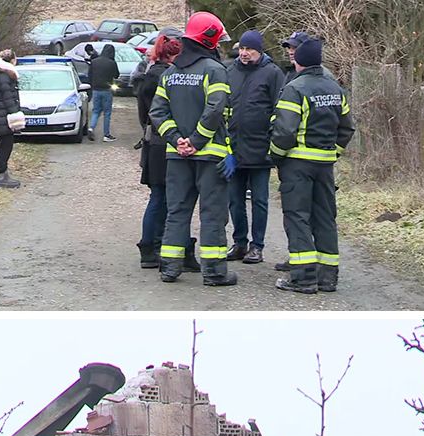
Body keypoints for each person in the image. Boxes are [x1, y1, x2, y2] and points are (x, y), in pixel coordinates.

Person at [149, 11, 236, 286]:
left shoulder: (171, 74)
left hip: (177, 157)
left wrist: (177, 141)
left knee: (177, 211)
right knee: (212, 214)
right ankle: (214, 273)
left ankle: (170, 268)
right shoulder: (215, 70)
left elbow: (157, 113)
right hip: (210, 156)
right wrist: (197, 141)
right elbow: (215, 109)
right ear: (209, 40)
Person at [270, 37, 354, 294]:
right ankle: (328, 277)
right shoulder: (335, 89)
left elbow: (284, 132)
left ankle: (303, 278)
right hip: (325, 166)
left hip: (297, 164)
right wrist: (333, 154)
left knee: (297, 218)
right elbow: (347, 129)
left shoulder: (295, 89)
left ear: (300, 61)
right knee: (325, 218)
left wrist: (275, 156)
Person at [134, 31, 200, 273]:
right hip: (164, 143)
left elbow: (145, 115)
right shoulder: (164, 77)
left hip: (156, 142)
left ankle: (155, 246)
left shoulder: (150, 76)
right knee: (166, 198)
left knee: (161, 198)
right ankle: (157, 246)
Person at [224, 29, 284, 265]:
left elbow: (279, 110)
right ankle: (239, 243)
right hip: (234, 148)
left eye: (250, 49)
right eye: (242, 49)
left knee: (260, 200)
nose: (245, 53)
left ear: (260, 51)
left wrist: (272, 143)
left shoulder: (272, 73)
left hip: (260, 149)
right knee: (234, 199)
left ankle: (256, 246)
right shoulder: (229, 71)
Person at [0, 49, 22, 188]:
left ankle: (3, 174)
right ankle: (1, 176)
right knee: (5, 146)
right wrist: (16, 114)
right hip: (4, 118)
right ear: (12, 60)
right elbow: (8, 98)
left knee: (5, 145)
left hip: (1, 116)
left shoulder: (2, 75)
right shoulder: (4, 76)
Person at [88, 44, 120, 141]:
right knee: (107, 113)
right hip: (107, 90)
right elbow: (116, 75)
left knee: (96, 110)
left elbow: (89, 75)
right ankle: (106, 135)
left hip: (96, 90)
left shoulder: (94, 62)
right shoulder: (111, 63)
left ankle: (91, 127)